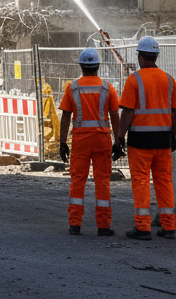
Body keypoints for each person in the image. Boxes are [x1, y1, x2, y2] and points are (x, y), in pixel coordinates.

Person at [117, 36, 176, 240]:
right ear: (155, 56)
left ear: (140, 56)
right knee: (164, 182)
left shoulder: (134, 80)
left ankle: (143, 228)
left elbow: (127, 113)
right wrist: (173, 135)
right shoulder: (169, 79)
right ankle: (169, 226)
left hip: (140, 142)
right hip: (163, 140)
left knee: (141, 182)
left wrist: (119, 136)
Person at [58, 47, 120, 236]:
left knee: (78, 180)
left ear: (81, 66)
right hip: (102, 140)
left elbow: (66, 117)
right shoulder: (107, 88)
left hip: (81, 141)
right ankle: (103, 225)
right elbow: (115, 116)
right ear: (98, 66)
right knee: (103, 181)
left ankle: (75, 224)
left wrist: (62, 142)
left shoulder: (73, 87)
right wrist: (118, 141)